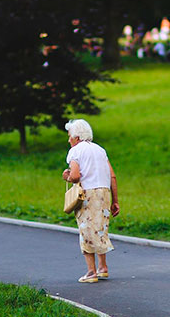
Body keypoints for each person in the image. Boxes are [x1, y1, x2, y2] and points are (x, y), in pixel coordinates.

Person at [62, 119, 120, 283]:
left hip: (88, 194)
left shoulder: (75, 151)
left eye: (69, 136)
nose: (68, 140)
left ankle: (91, 272)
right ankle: (103, 268)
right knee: (100, 229)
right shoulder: (100, 150)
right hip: (104, 193)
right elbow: (112, 176)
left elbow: (75, 176)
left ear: (77, 137)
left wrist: (66, 176)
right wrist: (115, 201)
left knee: (86, 230)